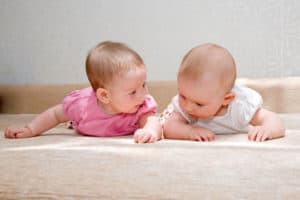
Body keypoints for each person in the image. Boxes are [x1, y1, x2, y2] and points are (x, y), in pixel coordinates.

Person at [5, 41, 162, 143]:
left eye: (144, 85)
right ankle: (73, 122)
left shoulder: (140, 106)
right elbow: (55, 115)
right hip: (87, 121)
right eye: (133, 92)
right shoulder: (82, 106)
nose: (143, 95)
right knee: (72, 119)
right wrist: (31, 129)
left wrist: (149, 131)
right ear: (105, 96)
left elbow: (152, 121)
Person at [160, 43, 285, 142]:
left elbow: (273, 119)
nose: (188, 106)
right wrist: (189, 132)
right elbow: (168, 126)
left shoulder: (239, 107)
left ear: (226, 99)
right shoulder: (187, 103)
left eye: (199, 104)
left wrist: (267, 129)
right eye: (183, 95)